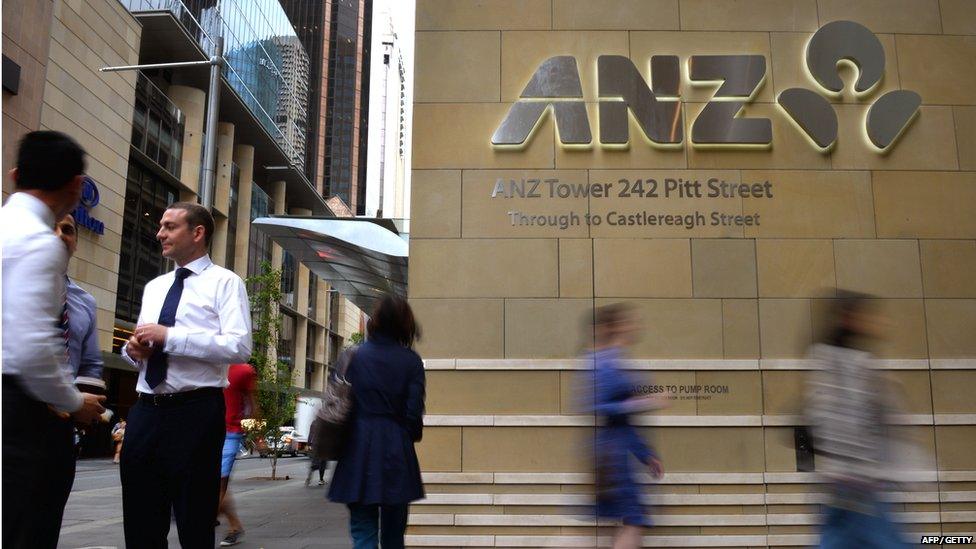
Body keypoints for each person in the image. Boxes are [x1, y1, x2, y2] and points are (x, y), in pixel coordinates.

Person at [120, 201, 252, 548]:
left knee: (195, 522)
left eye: (169, 226)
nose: (159, 232)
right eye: (161, 225)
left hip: (195, 413)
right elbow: (140, 341)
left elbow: (239, 347)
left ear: (198, 233)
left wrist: (170, 338)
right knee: (140, 523)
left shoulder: (226, 283)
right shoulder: (154, 287)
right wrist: (133, 350)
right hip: (145, 411)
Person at [1, 130, 106, 549]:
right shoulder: (42, 245)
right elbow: (31, 349)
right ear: (78, 187)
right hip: (22, 417)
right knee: (28, 530)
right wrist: (74, 402)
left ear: (15, 175)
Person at [805, 292, 907, 549]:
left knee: (837, 541)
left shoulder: (826, 358)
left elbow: (818, 420)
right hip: (860, 484)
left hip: (841, 483)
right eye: (867, 315)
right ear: (849, 318)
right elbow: (847, 422)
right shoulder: (849, 364)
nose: (877, 322)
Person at [328, 295, 426, 549]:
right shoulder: (411, 361)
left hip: (357, 448)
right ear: (406, 324)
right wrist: (406, 435)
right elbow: (413, 413)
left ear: (376, 321)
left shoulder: (352, 356)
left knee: (363, 530)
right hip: (396, 448)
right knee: (394, 534)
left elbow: (338, 402)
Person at [588, 303, 666, 549]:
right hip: (613, 455)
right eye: (629, 321)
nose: (635, 326)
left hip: (617, 453)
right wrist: (645, 401)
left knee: (631, 520)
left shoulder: (617, 360)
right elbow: (599, 407)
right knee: (633, 520)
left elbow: (623, 421)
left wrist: (647, 456)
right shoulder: (607, 363)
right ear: (617, 327)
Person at [219, 362, 258, 546]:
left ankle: (233, 527)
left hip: (230, 433)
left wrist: (258, 436)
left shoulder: (244, 370)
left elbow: (252, 404)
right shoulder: (209, 362)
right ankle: (234, 526)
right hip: (206, 429)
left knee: (219, 484)